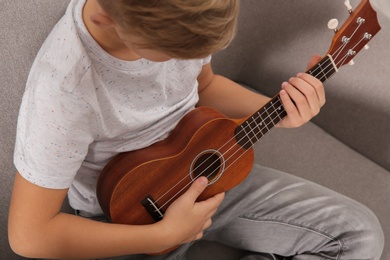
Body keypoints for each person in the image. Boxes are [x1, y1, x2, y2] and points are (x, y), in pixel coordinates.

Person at [8, 0, 384, 259]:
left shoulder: (188, 12)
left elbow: (204, 86)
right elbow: (29, 235)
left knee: (361, 235)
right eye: (174, 53)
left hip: (199, 171)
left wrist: (282, 112)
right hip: (124, 218)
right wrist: (163, 236)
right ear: (107, 16)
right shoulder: (64, 92)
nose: (184, 62)